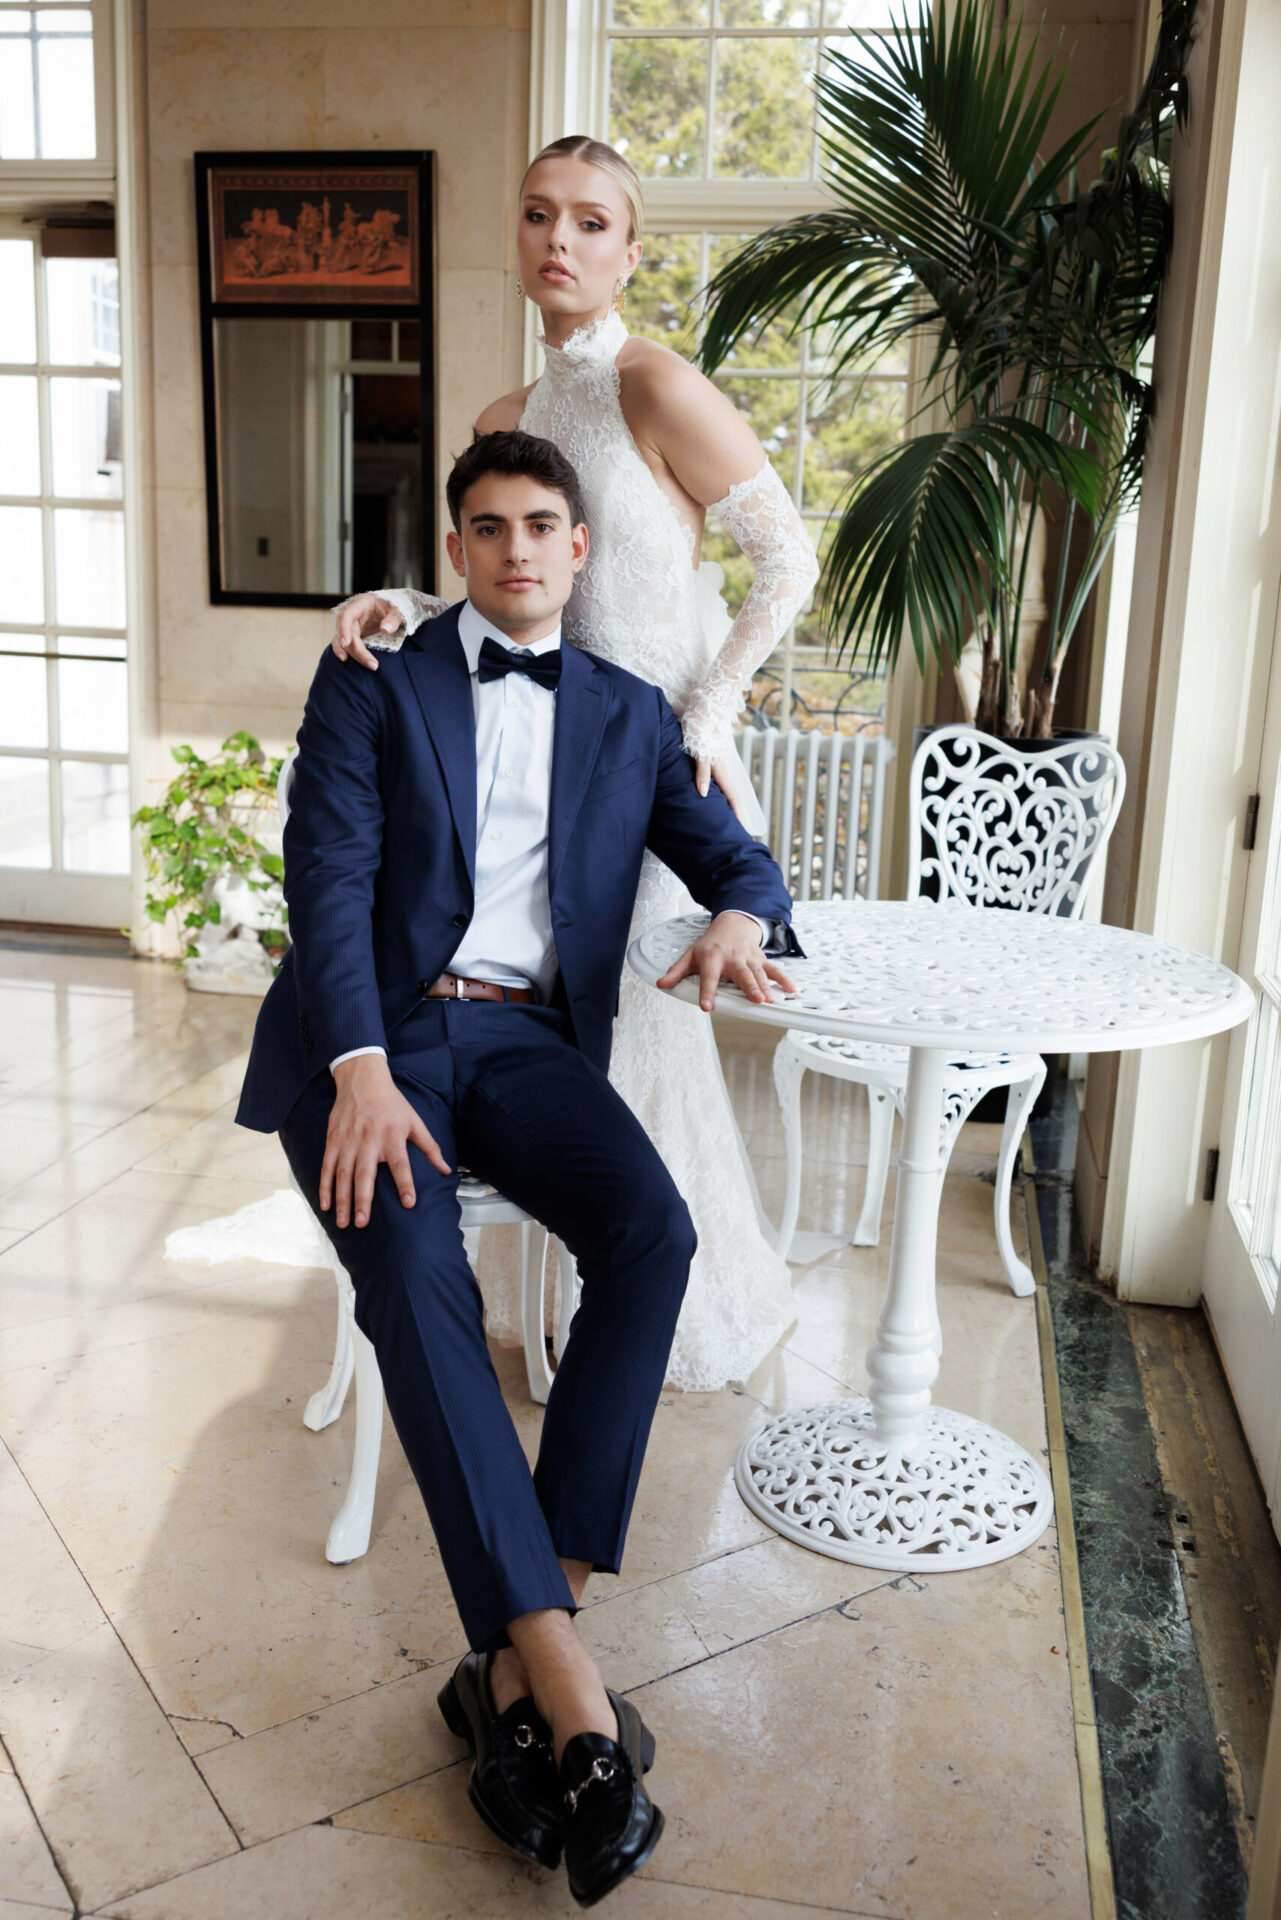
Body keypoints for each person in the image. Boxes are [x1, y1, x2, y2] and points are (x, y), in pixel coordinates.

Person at [237, 430, 800, 1903]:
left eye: (544, 525)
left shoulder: (622, 712)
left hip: (526, 1051)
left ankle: (512, 1665)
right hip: (364, 1038)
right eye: (488, 528)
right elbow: (328, 877)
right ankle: (577, 1704)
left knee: (652, 1236)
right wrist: (359, 1069)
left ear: (581, 544)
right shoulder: (378, 676)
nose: (519, 551)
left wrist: (744, 912)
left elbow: (726, 847)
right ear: (457, 549)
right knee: (415, 1267)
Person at [331, 134, 820, 1391]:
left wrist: (710, 706)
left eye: (593, 222)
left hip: (659, 765)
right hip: (535, 763)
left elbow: (789, 563)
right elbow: (495, 577)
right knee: (544, 1031)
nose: (562, 240)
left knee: (640, 1043)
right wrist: (397, 599)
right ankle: (536, 1308)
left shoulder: (656, 384)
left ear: (629, 251)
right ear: (517, 236)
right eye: (540, 214)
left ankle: (657, 1316)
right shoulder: (507, 416)